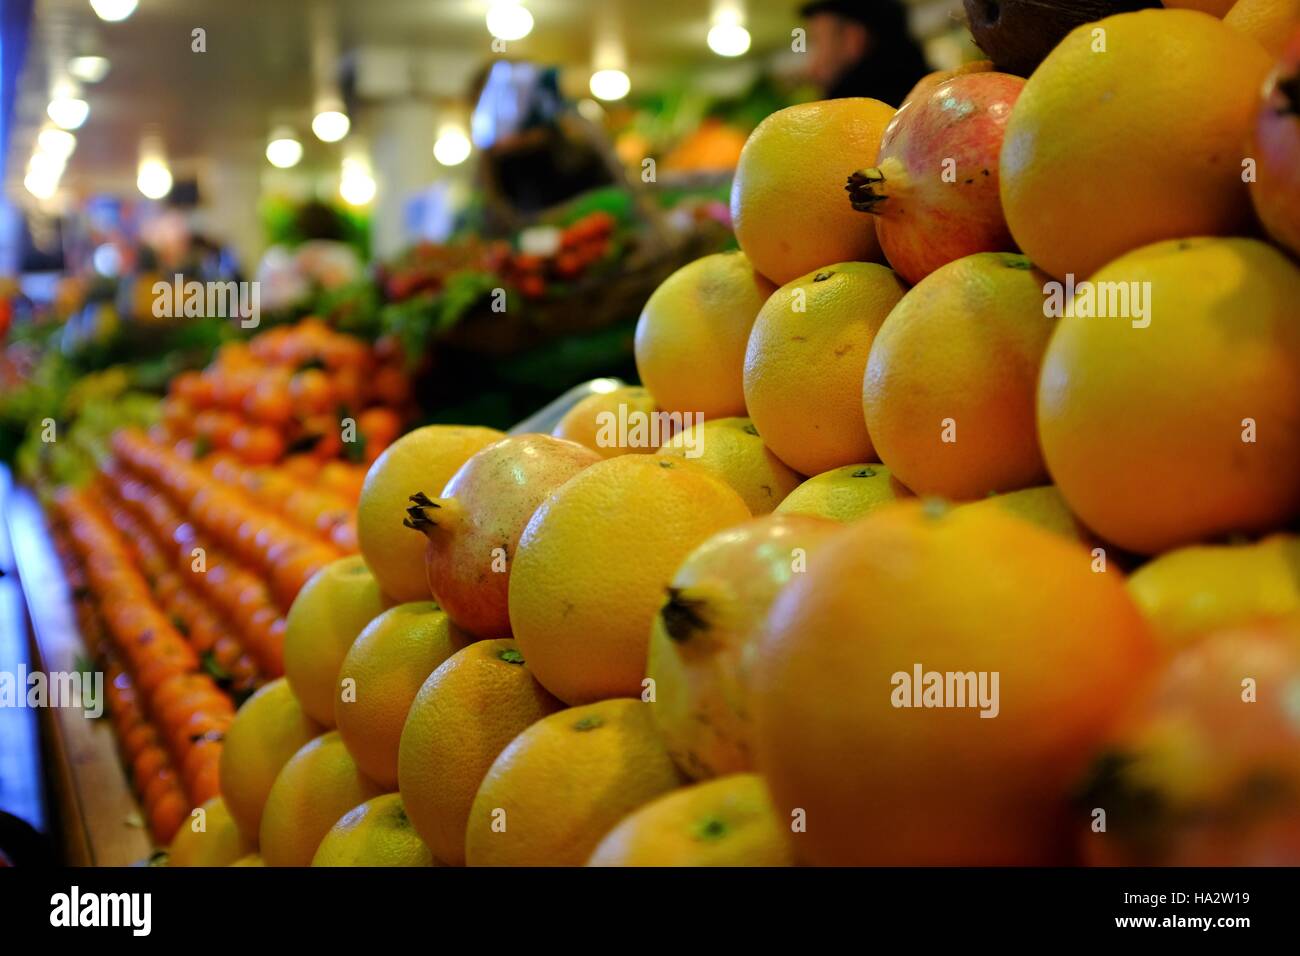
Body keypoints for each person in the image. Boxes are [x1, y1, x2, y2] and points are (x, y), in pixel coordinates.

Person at [800, 0, 931, 107]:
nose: (810, 69)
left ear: (852, 39)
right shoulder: (934, 89)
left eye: (817, 42)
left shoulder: (846, 114)